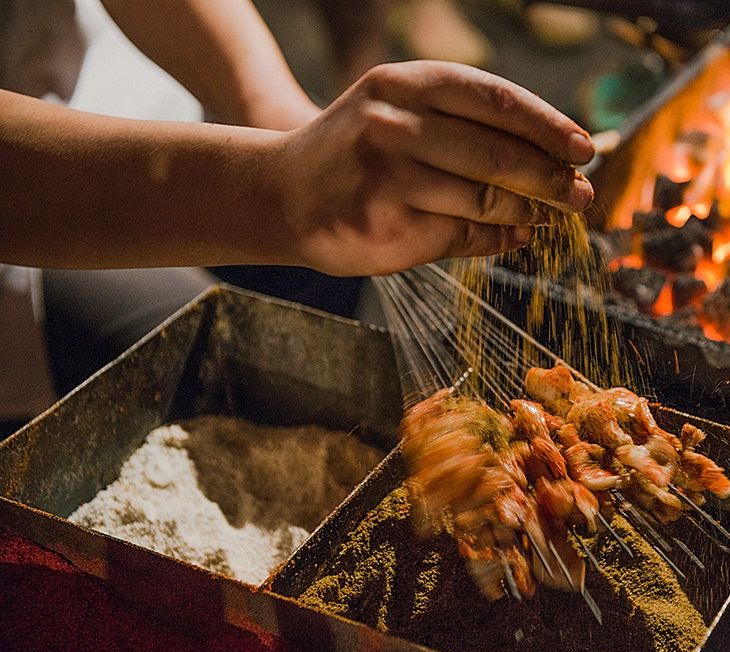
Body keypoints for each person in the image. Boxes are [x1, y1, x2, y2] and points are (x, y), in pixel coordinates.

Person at [0, 0, 595, 433]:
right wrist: (279, 189)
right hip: (31, 213)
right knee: (212, 382)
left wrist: (274, 111)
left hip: (112, 91)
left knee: (328, 282)